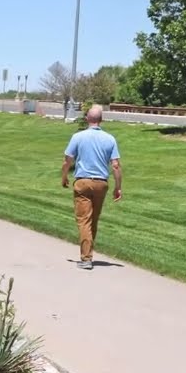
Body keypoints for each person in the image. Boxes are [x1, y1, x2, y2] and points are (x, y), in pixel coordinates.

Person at [61, 106, 121, 269]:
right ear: (101, 120)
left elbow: (68, 160)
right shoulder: (110, 139)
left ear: (87, 118)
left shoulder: (78, 137)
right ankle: (88, 253)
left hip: (83, 182)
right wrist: (118, 187)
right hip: (101, 183)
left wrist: (64, 176)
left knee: (84, 220)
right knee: (93, 220)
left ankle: (86, 258)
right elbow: (115, 165)